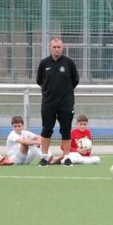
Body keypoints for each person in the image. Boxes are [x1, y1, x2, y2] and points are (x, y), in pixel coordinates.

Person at [35, 37, 79, 165]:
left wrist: (65, 93)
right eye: (54, 47)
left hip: (66, 103)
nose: (56, 49)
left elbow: (75, 80)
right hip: (48, 103)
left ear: (62, 48)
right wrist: (47, 92)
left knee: (65, 130)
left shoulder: (69, 63)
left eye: (59, 47)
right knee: (46, 129)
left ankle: (66, 157)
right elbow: (39, 80)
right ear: (50, 48)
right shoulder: (44, 63)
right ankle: (44, 157)